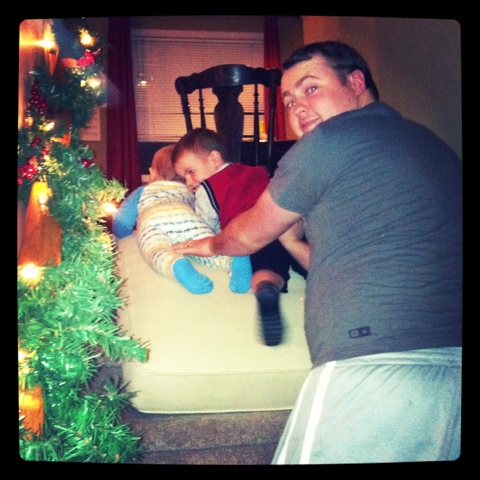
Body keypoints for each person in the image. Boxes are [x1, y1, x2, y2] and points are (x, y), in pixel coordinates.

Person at [173, 41, 462, 463]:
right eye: (289, 101)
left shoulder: (329, 140)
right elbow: (338, 263)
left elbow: (248, 236)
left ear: (356, 82)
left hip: (374, 358)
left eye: (311, 89)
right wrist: (292, 242)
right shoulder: (429, 143)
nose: (298, 108)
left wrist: (207, 243)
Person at [172, 128, 307, 346]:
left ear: (214, 159)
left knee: (266, 266)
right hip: (282, 223)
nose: (188, 182)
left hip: (249, 233)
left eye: (190, 171)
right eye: (183, 177)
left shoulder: (207, 188)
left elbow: (206, 225)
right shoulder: (255, 171)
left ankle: (266, 289)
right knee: (299, 254)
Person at [112, 144, 252, 295]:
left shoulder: (143, 191)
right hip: (189, 219)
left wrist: (122, 234)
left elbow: (122, 222)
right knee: (207, 244)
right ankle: (232, 258)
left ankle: (176, 264)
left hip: (154, 221)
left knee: (155, 250)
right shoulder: (190, 192)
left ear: (153, 173)